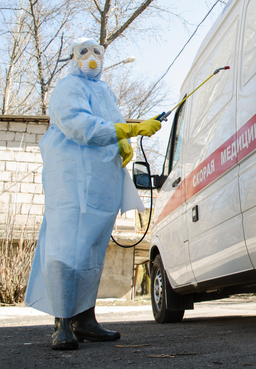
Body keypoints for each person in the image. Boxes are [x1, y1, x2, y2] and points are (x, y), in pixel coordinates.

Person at [24, 38, 161, 350]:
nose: (92, 58)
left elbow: (111, 125)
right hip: (72, 182)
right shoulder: (68, 86)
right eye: (84, 52)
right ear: (74, 58)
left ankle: (84, 320)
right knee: (65, 249)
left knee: (91, 252)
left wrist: (122, 142)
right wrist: (129, 130)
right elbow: (79, 125)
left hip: (102, 184)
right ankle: (62, 322)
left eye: (98, 52)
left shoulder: (105, 92)